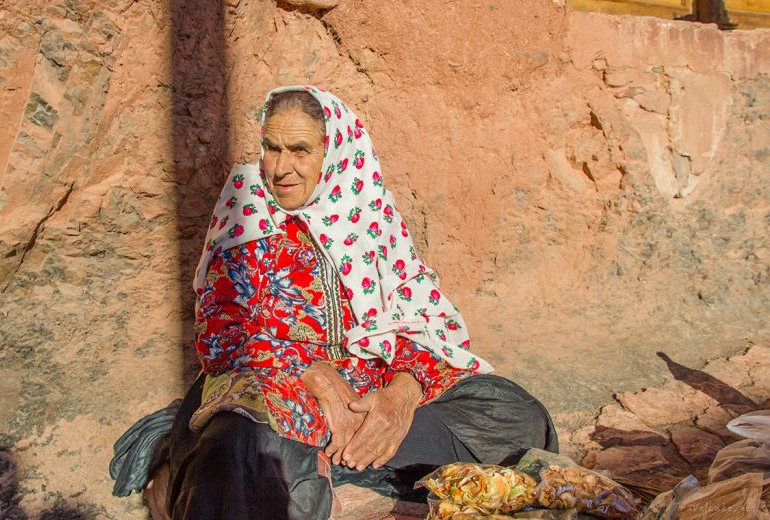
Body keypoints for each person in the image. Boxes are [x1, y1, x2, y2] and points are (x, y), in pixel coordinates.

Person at [165, 85, 558, 519]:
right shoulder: (247, 206)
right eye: (271, 148)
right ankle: (325, 472)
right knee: (237, 442)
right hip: (279, 384)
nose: (281, 168)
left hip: (371, 386)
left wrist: (401, 396)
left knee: (515, 413)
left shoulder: (367, 210)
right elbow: (222, 334)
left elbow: (419, 317)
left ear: (334, 150)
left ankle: (325, 471)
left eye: (300, 150)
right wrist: (317, 378)